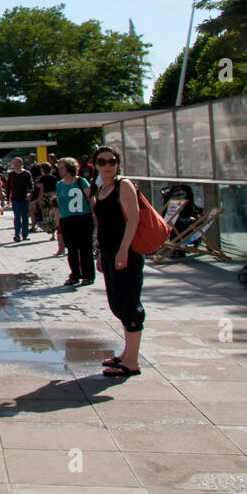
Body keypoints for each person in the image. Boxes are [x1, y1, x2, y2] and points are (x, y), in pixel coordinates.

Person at [90, 145, 144, 378]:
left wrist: (124, 251)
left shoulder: (124, 185)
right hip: (110, 252)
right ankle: (126, 353)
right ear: (96, 165)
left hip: (127, 253)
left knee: (129, 303)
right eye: (102, 162)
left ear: (118, 163)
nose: (108, 165)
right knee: (117, 302)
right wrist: (102, 253)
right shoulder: (100, 189)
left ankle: (132, 361)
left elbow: (133, 219)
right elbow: (103, 226)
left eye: (112, 161)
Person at [56, 157, 95, 287]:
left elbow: (91, 198)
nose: (59, 170)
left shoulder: (81, 181)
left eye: (61, 167)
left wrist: (95, 214)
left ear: (69, 168)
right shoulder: (60, 184)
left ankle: (88, 276)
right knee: (71, 249)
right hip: (67, 219)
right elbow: (59, 204)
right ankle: (75, 275)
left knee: (85, 248)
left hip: (83, 218)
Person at [5, 157, 34, 242]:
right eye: (14, 163)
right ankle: (17, 235)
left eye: (17, 163)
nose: (15, 164)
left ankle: (25, 235)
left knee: (25, 217)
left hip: (25, 199)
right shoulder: (11, 174)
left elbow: (31, 184)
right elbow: (8, 187)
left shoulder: (26, 173)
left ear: (21, 163)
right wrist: (7, 198)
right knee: (17, 217)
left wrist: (30, 193)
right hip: (15, 199)